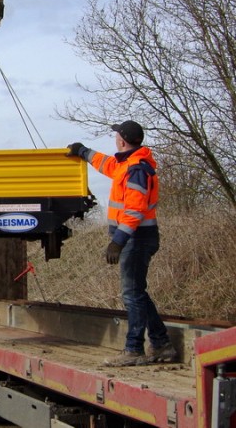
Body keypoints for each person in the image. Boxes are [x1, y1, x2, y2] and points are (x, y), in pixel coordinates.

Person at [68, 120, 178, 367]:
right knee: (137, 293)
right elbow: (106, 164)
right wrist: (83, 151)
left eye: (117, 134)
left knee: (132, 294)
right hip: (135, 238)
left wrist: (118, 241)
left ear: (122, 139)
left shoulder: (137, 169)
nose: (115, 138)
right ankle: (161, 344)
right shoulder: (125, 163)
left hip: (137, 238)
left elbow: (135, 210)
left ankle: (134, 349)